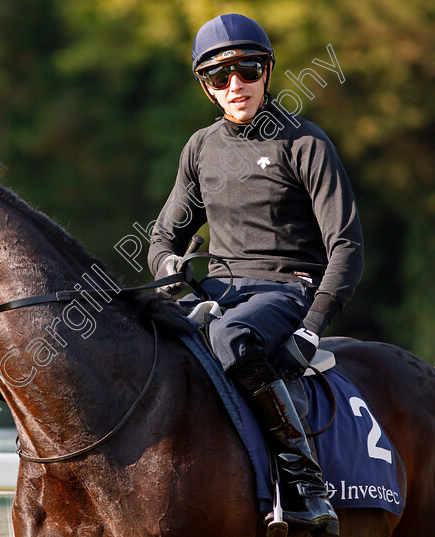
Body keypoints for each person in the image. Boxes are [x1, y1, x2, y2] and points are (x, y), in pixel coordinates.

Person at [147, 13, 364, 537]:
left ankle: (304, 481)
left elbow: (348, 246)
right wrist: (169, 268)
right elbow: (161, 239)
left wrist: (311, 328)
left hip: (286, 291)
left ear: (266, 71)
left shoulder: (306, 143)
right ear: (207, 88)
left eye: (245, 70)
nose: (235, 85)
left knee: (230, 335)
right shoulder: (199, 149)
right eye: (220, 78)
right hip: (217, 292)